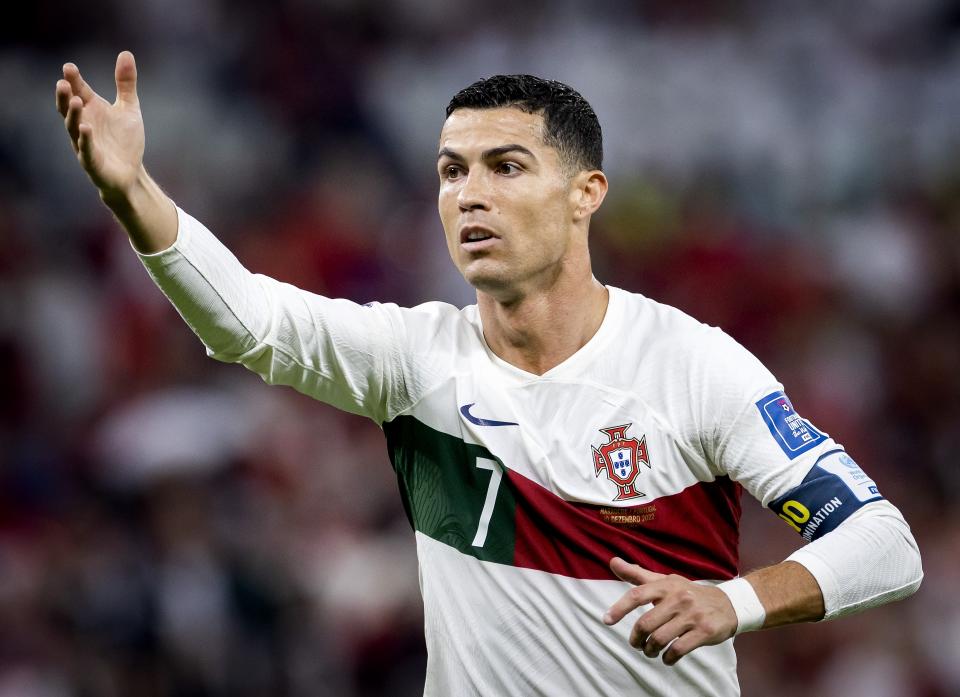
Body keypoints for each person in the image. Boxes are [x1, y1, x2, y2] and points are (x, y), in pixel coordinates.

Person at [55, 52, 922, 696]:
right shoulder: (415, 359)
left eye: (506, 167)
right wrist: (130, 189)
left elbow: (884, 544)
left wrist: (735, 601)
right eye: (451, 171)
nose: (470, 194)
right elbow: (247, 319)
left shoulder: (692, 363)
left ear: (587, 192)